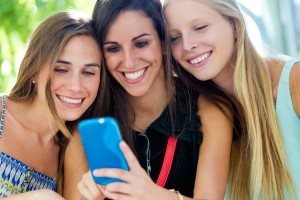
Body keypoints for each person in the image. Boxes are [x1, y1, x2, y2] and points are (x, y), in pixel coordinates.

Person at [64, 0, 234, 199]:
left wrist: (151, 194)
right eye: (113, 48)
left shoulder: (210, 110)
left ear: (164, 42)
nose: (129, 61)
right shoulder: (88, 128)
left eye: (141, 43)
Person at [163, 0, 300, 199]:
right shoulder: (194, 115)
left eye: (200, 27)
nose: (187, 45)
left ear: (234, 24)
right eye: (174, 38)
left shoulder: (294, 81)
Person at [0, 10, 103, 199]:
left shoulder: (71, 148)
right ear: (33, 70)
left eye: (88, 72)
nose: (75, 86)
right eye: (61, 69)